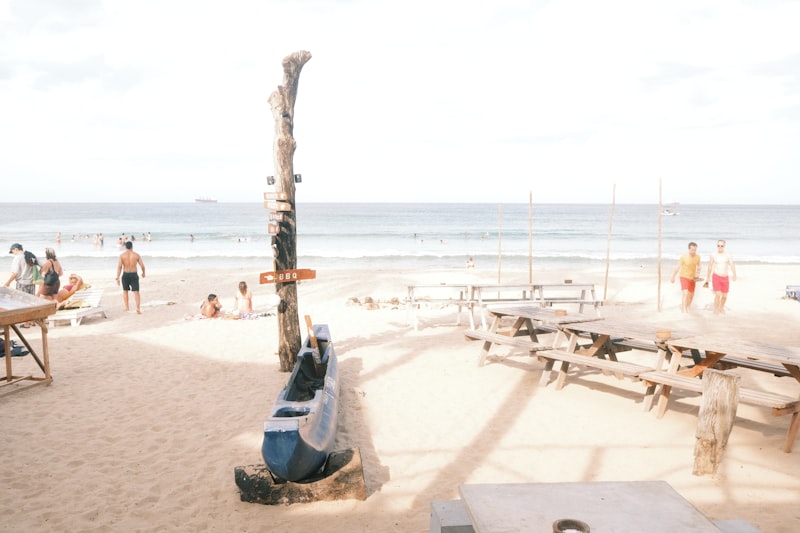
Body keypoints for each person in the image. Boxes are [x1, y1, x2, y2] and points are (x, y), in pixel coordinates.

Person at [705, 239, 737, 315]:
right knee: (718, 294)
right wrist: (708, 277)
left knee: (725, 296)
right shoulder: (713, 254)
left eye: (721, 246)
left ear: (724, 246)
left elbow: (732, 265)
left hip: (725, 278)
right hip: (716, 277)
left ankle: (721, 307)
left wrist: (734, 274)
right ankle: (716, 310)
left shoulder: (728, 255)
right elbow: (710, 265)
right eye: (718, 245)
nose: (720, 247)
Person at [670, 241, 701, 313]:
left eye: (695, 250)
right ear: (689, 249)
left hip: (693, 278)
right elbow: (677, 267)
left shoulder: (697, 257)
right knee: (685, 293)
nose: (694, 251)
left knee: (691, 295)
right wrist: (673, 277)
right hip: (684, 277)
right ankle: (684, 310)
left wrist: (698, 273)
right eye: (692, 250)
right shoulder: (684, 257)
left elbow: (699, 266)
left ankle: (688, 307)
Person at [116, 241, 146, 314]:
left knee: (125, 291)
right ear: (132, 247)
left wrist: (117, 277)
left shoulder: (122, 256)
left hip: (125, 274)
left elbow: (119, 267)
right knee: (136, 292)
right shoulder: (136, 255)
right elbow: (142, 265)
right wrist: (143, 273)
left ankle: (127, 308)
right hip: (134, 274)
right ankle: (138, 308)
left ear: (125, 247)